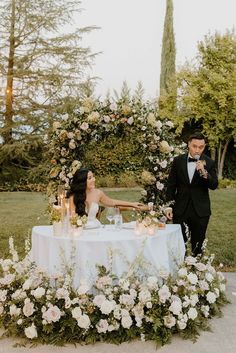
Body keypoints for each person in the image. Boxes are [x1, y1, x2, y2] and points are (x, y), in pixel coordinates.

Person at [165, 132, 218, 256]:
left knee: (197, 247)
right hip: (180, 209)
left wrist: (204, 173)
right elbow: (171, 185)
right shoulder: (178, 161)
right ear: (188, 144)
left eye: (201, 147)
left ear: (204, 147)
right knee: (179, 245)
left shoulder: (209, 162)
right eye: (194, 146)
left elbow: (214, 185)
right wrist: (169, 206)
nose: (197, 150)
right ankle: (180, 273)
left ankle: (197, 273)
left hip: (200, 212)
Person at [67, 167, 147, 225]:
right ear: (82, 182)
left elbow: (112, 202)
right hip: (79, 230)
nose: (94, 179)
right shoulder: (73, 197)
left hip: (95, 228)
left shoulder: (98, 193)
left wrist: (132, 204)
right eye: (90, 178)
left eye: (93, 177)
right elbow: (72, 219)